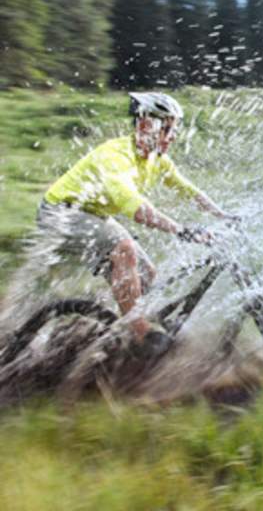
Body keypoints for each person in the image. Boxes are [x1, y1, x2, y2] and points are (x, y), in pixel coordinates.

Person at [36, 91, 238, 343]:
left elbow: (188, 190)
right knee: (124, 248)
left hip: (95, 216)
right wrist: (180, 229)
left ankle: (113, 331)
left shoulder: (157, 160)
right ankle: (140, 332)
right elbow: (137, 208)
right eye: (167, 129)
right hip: (62, 213)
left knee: (146, 274)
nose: (172, 137)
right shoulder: (114, 156)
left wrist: (223, 215)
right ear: (145, 124)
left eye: (174, 130)